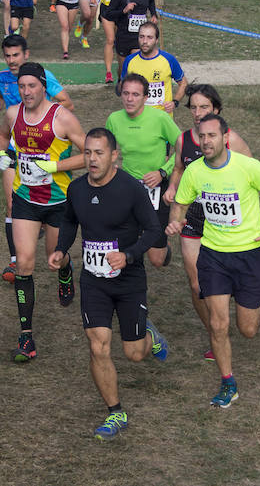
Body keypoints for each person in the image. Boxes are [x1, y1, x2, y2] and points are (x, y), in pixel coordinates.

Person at [50, 127, 169, 441]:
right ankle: (116, 412)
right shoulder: (76, 190)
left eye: (99, 153)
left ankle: (147, 334)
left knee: (134, 353)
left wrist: (128, 256)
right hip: (93, 280)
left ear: (115, 156)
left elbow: (154, 232)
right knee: (98, 345)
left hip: (129, 279)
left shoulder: (131, 189)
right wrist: (61, 249)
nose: (92, 159)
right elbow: (69, 220)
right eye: (88, 152)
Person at [165, 114, 260, 408]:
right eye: (202, 136)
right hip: (213, 255)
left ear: (225, 137)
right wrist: (175, 221)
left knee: (248, 329)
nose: (206, 141)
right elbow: (181, 203)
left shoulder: (247, 166)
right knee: (218, 325)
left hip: (250, 254)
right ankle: (227, 382)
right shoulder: (194, 172)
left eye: (212, 136)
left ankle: (258, 308)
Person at [0, 62, 87, 361]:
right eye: (22, 87)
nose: (26, 92)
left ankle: (65, 272)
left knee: (54, 259)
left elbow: (90, 155)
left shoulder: (63, 118)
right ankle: (26, 337)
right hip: (25, 199)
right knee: (23, 264)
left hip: (58, 202)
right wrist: (2, 154)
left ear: (43, 86)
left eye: (32, 86)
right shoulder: (13, 113)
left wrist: (56, 166)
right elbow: (2, 136)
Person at [163, 84, 251, 361]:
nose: (198, 113)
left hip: (226, 218)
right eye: (194, 107)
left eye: (204, 107)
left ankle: (251, 301)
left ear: (216, 109)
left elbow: (251, 174)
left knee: (232, 278)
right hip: (193, 215)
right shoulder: (183, 140)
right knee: (197, 285)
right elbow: (178, 167)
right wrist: (172, 188)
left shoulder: (231, 140)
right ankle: (215, 334)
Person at [0, 35, 75, 283]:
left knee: (45, 204)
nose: (12, 60)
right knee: (13, 203)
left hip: (43, 148)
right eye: (8, 56)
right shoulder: (2, 78)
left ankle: (44, 227)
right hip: (16, 148)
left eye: (16, 55)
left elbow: (68, 102)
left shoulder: (42, 76)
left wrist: (45, 117)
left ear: (26, 54)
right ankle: (16, 261)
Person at [105, 73, 180, 268]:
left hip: (157, 186)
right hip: (128, 187)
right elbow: (106, 150)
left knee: (157, 260)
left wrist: (162, 172)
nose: (129, 99)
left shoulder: (160, 118)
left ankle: (161, 247)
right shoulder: (114, 119)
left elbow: (183, 148)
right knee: (125, 241)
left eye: (136, 95)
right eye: (126, 93)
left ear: (146, 97)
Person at [119, 22, 186, 116]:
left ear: (156, 40)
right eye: (141, 37)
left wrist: (175, 102)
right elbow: (122, 86)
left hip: (162, 117)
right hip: (137, 117)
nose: (145, 41)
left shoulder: (169, 60)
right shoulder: (129, 60)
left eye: (149, 37)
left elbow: (183, 83)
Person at [107, 0, 158, 73]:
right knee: (123, 70)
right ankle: (121, 85)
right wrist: (123, 11)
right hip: (123, 37)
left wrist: (153, 14)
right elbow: (108, 14)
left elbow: (151, 2)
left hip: (139, 37)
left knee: (136, 69)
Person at [90, 0, 126, 83]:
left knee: (119, 41)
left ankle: (122, 71)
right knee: (110, 40)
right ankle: (109, 72)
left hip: (122, 11)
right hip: (107, 9)